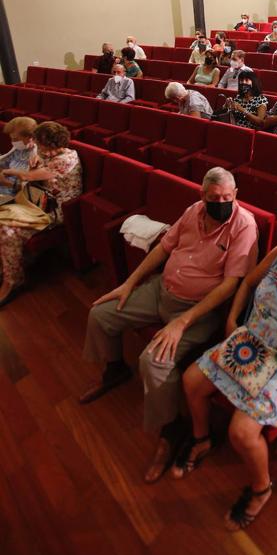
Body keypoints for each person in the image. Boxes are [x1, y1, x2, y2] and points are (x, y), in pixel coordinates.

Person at [80, 167, 258, 482]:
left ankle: (172, 427)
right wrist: (129, 283)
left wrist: (182, 323)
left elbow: (231, 285)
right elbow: (164, 249)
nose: (220, 203)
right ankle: (114, 369)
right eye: (214, 197)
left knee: (154, 360)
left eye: (227, 198)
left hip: (196, 310)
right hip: (163, 289)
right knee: (101, 313)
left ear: (236, 196)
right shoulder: (193, 211)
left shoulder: (243, 226)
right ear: (203, 196)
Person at [175, 206, 277, 530]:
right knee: (192, 381)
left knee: (242, 431)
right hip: (251, 340)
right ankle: (201, 438)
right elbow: (248, 282)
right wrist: (232, 319)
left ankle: (261, 488)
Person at [0, 121, 81, 307]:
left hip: (55, 211)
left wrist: (8, 171)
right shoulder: (49, 152)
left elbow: (27, 176)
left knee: (8, 231)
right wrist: (35, 157)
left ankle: (13, 281)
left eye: (42, 147)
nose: (40, 151)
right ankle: (6, 266)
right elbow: (33, 154)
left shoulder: (66, 159)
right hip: (37, 201)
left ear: (54, 145)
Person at [0, 117, 37, 198]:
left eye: (15, 139)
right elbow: (3, 164)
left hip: (15, 196)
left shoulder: (36, 157)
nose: (13, 142)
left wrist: (7, 183)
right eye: (11, 138)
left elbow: (31, 190)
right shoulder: (19, 149)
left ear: (30, 137)